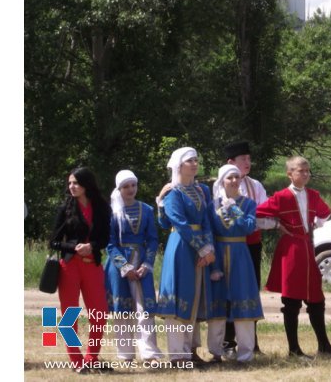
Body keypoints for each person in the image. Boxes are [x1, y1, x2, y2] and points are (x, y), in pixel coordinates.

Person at [255, 156, 331, 358]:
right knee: (291, 300)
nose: (305, 174)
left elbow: (325, 213)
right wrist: (275, 225)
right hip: (291, 248)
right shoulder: (281, 197)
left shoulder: (313, 194)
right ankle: (294, 349)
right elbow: (257, 213)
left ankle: (324, 345)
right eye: (301, 170)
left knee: (316, 298)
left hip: (308, 247)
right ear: (289, 173)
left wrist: (316, 223)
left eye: (307, 170)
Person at [155, 147, 217, 367]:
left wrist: (209, 248)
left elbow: (208, 220)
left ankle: (189, 351)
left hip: (199, 247)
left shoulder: (202, 191)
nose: (195, 163)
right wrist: (202, 248)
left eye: (196, 160)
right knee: (179, 297)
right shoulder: (173, 192)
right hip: (181, 247)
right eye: (190, 160)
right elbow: (178, 223)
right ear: (179, 165)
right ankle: (177, 354)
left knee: (194, 297)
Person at [49, 167, 112, 373]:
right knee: (70, 315)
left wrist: (91, 247)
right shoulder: (65, 208)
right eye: (69, 183)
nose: (71, 187)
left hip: (93, 265)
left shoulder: (101, 207)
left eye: (75, 183)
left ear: (86, 184)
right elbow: (54, 242)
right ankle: (77, 361)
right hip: (69, 267)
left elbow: (105, 238)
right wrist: (75, 248)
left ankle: (91, 357)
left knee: (100, 313)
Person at [212, 141, 268, 356]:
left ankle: (251, 342)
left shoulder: (256, 186)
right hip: (224, 245)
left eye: (249, 158)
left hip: (249, 245)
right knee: (225, 291)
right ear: (230, 163)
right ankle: (227, 341)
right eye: (243, 159)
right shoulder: (218, 190)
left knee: (248, 291)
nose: (247, 163)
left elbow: (262, 214)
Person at [104, 170, 164, 363]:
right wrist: (124, 267)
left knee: (144, 309)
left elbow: (153, 239)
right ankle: (125, 354)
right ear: (119, 189)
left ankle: (149, 353)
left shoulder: (146, 209)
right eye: (126, 186)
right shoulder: (112, 212)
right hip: (118, 264)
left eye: (133, 185)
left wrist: (147, 263)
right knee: (122, 310)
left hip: (141, 263)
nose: (131, 189)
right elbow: (110, 243)